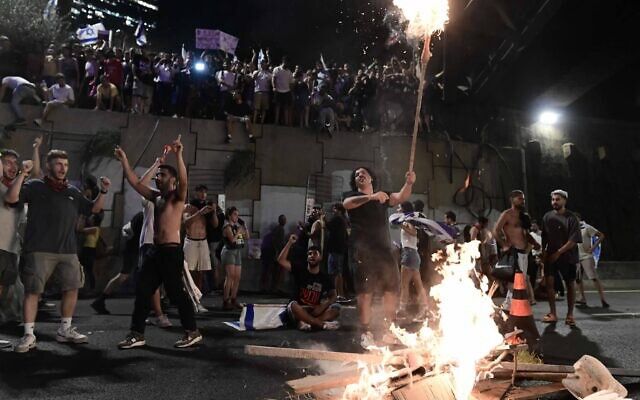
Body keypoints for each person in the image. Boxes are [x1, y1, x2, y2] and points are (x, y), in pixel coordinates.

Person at [4, 149, 111, 353]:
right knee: (33, 291)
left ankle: (65, 329)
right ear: (48, 166)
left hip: (68, 251)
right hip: (38, 249)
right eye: (58, 164)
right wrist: (22, 174)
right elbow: (11, 198)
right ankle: (28, 334)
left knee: (72, 288)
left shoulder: (72, 191)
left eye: (65, 165)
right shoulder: (35, 186)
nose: (63, 168)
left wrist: (104, 191)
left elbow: (94, 209)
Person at [114, 136, 202, 349]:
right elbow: (135, 182)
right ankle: (136, 334)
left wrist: (179, 154)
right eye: (158, 175)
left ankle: (192, 332)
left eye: (162, 175)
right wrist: (124, 160)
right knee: (143, 290)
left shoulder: (177, 197)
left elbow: (184, 180)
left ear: (171, 180)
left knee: (175, 293)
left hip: (171, 252)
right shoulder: (156, 197)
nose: (158, 177)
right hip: (155, 252)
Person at [91, 158, 169, 329]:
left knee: (149, 280)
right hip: (141, 247)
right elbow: (141, 182)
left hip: (150, 246)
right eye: (159, 176)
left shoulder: (167, 202)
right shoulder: (150, 201)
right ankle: (158, 314)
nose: (159, 178)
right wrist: (156, 164)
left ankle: (152, 311)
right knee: (134, 277)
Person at [343, 166, 416, 340]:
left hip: (384, 250)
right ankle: (365, 332)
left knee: (391, 288)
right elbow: (347, 204)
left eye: (364, 173)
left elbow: (401, 196)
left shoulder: (383, 196)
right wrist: (371, 197)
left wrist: (409, 183)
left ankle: (389, 330)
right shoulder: (351, 196)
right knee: (364, 291)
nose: (360, 175)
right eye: (357, 174)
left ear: (371, 179)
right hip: (361, 250)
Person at [277, 234, 340, 331]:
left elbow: (334, 295)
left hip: (314, 310)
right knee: (293, 305)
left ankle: (307, 322)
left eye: (315, 254)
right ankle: (320, 324)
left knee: (336, 307)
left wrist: (323, 305)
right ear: (307, 258)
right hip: (299, 309)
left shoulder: (324, 277)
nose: (312, 256)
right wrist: (290, 243)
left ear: (320, 258)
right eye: (310, 254)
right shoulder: (300, 270)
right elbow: (281, 260)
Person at [541, 189, 582, 327]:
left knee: (570, 284)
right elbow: (544, 238)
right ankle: (553, 313)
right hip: (551, 257)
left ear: (564, 200)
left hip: (568, 256)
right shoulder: (547, 217)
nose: (554, 202)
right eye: (553, 199)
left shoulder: (571, 218)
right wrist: (544, 253)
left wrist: (558, 253)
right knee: (550, 284)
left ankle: (570, 315)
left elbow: (573, 240)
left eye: (557, 199)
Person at [493, 190, 539, 308]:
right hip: (513, 252)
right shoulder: (507, 214)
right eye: (519, 199)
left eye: (523, 199)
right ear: (512, 200)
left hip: (525, 252)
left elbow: (526, 234)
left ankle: (508, 305)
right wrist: (504, 245)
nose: (522, 201)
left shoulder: (524, 216)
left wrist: (535, 244)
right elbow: (496, 231)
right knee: (516, 281)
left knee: (521, 280)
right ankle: (509, 306)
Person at [396, 202, 429, 322]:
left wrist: (401, 225)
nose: (397, 208)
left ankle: (401, 310)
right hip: (412, 254)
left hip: (409, 254)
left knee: (404, 284)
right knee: (418, 285)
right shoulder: (407, 221)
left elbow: (414, 233)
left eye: (399, 207)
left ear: (404, 209)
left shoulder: (408, 221)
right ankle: (424, 310)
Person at [183, 184, 218, 298]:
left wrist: (213, 211)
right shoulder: (189, 206)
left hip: (203, 241)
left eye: (205, 192)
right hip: (191, 241)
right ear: (196, 193)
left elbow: (215, 224)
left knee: (201, 272)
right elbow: (186, 223)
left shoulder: (207, 207)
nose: (203, 194)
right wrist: (199, 212)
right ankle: (188, 296)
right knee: (189, 271)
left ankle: (197, 297)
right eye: (201, 192)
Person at [574, 213, 609, 308]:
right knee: (577, 279)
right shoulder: (572, 229)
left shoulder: (586, 227)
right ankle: (582, 299)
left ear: (579, 218)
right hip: (576, 257)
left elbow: (601, 235)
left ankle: (603, 299)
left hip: (586, 256)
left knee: (593, 278)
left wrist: (593, 247)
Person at [221, 206, 249, 310]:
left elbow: (247, 237)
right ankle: (225, 300)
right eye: (235, 214)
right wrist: (238, 232)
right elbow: (232, 239)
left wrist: (244, 227)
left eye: (238, 214)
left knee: (237, 277)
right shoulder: (227, 227)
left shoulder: (237, 227)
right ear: (229, 215)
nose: (237, 217)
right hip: (229, 252)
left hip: (237, 252)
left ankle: (233, 298)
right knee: (230, 277)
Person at [326, 203, 349, 300]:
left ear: (338, 210)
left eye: (334, 209)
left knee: (335, 272)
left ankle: (337, 294)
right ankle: (340, 293)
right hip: (340, 249)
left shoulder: (337, 219)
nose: (333, 211)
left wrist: (324, 219)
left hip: (335, 249)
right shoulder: (344, 220)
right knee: (338, 272)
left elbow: (329, 226)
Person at [78, 211, 104, 292]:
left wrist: (82, 218)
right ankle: (87, 287)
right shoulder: (93, 228)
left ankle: (92, 288)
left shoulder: (94, 229)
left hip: (89, 250)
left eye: (91, 218)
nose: (90, 219)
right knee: (85, 269)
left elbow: (80, 229)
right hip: (87, 249)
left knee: (88, 270)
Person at [260, 214, 286, 293]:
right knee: (274, 272)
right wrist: (277, 253)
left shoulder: (276, 229)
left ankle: (266, 288)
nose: (285, 221)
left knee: (268, 271)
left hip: (269, 252)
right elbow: (277, 243)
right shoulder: (280, 230)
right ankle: (271, 288)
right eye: (284, 219)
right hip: (272, 253)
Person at [470, 216, 498, 280]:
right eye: (485, 224)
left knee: (488, 271)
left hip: (484, 254)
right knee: (480, 272)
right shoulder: (475, 229)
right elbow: (473, 242)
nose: (486, 226)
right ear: (481, 223)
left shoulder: (482, 230)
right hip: (478, 255)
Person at [272, 57, 293, 126]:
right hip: (278, 90)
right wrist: (274, 87)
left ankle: (286, 123)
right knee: (277, 107)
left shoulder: (289, 72)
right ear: (283, 61)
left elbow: (291, 83)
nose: (287, 64)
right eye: (286, 62)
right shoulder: (277, 69)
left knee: (286, 107)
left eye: (288, 63)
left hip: (286, 91)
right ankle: (276, 122)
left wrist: (290, 91)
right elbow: (273, 79)